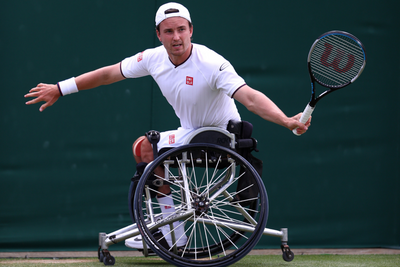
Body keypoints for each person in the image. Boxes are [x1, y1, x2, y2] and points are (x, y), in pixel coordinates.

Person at [24, 2, 310, 250]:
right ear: (159, 34)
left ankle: (171, 236)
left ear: (191, 31)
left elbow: (249, 97)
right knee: (143, 147)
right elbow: (109, 74)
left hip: (220, 136)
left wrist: (286, 120)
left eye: (182, 29)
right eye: (169, 31)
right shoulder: (153, 58)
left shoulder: (212, 63)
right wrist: (61, 89)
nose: (177, 37)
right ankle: (169, 230)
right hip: (191, 133)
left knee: (148, 147)